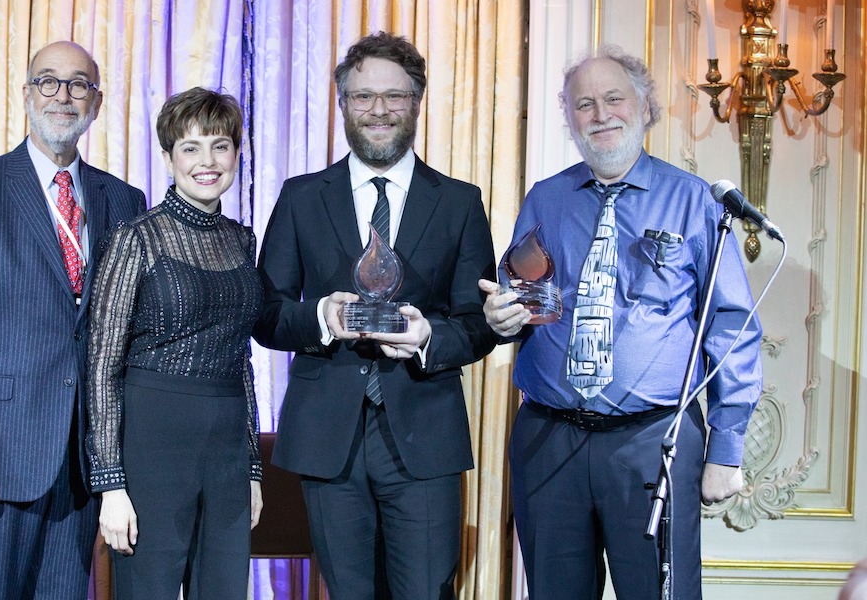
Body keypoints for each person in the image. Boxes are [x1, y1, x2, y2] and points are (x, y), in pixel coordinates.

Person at [480, 45, 763, 599]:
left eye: (614, 98)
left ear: (645, 107)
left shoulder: (694, 202)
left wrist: (725, 451)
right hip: (548, 441)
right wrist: (500, 317)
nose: (601, 114)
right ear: (569, 119)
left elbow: (731, 330)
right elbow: (519, 296)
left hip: (653, 443)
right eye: (584, 104)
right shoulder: (546, 199)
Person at [254, 31, 497, 599]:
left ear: (417, 101)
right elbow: (266, 313)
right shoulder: (300, 196)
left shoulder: (460, 202)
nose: (379, 110)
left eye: (395, 95)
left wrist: (427, 337)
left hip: (424, 435)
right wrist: (321, 319)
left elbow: (478, 321)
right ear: (342, 105)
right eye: (363, 97)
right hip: (327, 438)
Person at [0, 41, 146, 598]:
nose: (62, 95)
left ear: (95, 102)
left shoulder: (124, 201)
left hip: (82, 464)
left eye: (78, 84)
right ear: (25, 95)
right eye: (48, 81)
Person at [86, 87, 263, 599]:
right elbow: (102, 364)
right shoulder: (135, 238)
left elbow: (242, 361)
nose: (207, 161)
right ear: (168, 158)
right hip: (152, 448)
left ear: (235, 153)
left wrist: (252, 468)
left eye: (220, 145)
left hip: (227, 451)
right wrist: (111, 484)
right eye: (190, 147)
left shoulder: (242, 239)